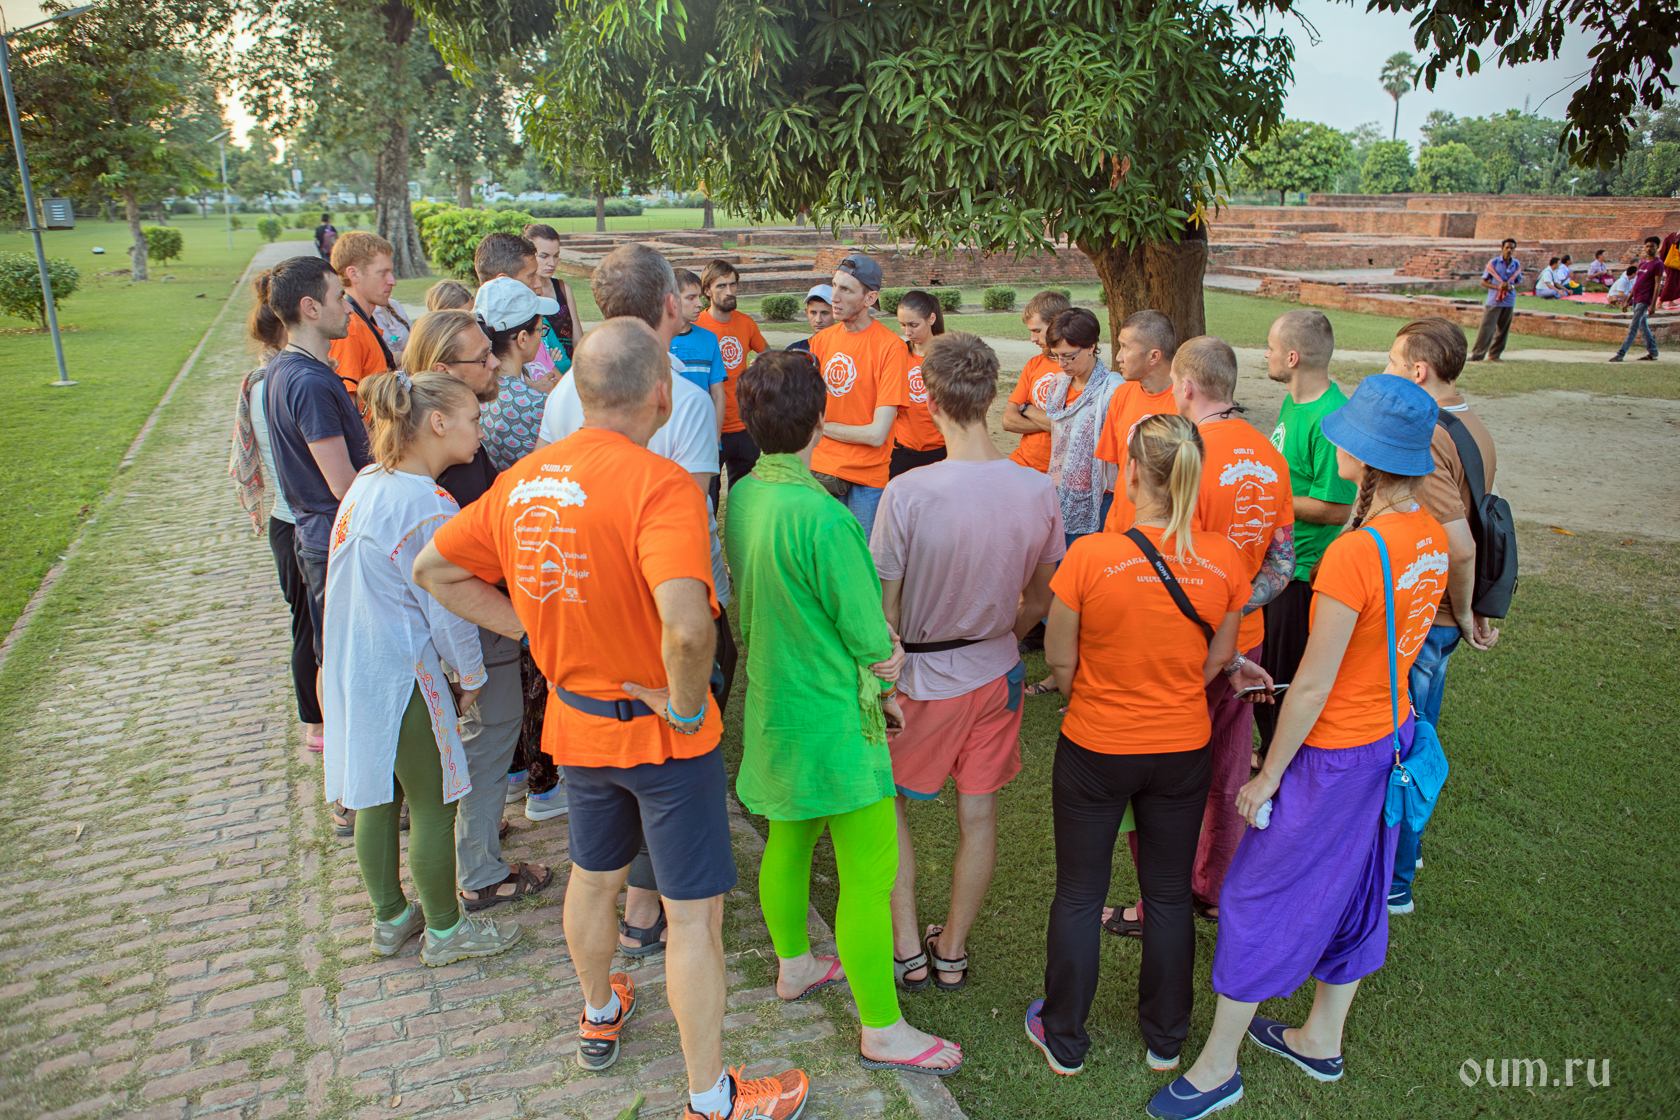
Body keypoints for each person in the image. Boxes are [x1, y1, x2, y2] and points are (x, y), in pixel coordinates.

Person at [415, 318, 810, 1120]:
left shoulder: (524, 479)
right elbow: (690, 628)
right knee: (693, 917)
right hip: (663, 737)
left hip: (578, 725)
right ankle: (712, 1097)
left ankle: (599, 1010)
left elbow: (435, 568)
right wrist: (689, 704)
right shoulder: (660, 485)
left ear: (582, 391)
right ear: (661, 395)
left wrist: (533, 627)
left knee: (594, 880)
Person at [1153, 375, 1447, 1120]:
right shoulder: (1430, 534)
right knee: (1360, 883)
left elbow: (1313, 686)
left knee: (1255, 893)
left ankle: (1218, 1068)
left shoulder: (1356, 553)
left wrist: (1268, 775)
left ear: (1366, 457)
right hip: (1390, 738)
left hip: (1334, 753)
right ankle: (1321, 1038)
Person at [726, 349, 962, 1077]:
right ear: (820, 422)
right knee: (869, 874)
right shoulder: (826, 518)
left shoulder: (745, 495)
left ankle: (795, 964)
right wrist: (890, 664)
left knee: (789, 838)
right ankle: (882, 1029)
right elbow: (869, 635)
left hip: (775, 704)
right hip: (833, 717)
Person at [1026, 413, 1268, 1079]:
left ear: (1131, 473)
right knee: (1166, 894)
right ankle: (1166, 1040)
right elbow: (1219, 660)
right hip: (1180, 747)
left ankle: (1064, 1036)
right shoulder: (1224, 560)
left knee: (1080, 893)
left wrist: (1097, 695)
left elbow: (1060, 659)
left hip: (1096, 745)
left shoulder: (1090, 556)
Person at [537, 242, 735, 957]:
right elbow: (690, 515)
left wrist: (534, 623)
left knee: (597, 836)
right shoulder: (678, 393)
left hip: (581, 614)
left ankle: (608, 968)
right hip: (661, 608)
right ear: (672, 305)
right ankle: (652, 906)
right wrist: (688, 700)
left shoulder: (570, 389)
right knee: (672, 754)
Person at [873, 333, 1063, 995]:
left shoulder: (908, 492)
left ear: (928, 397)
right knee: (977, 816)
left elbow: (885, 615)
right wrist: (999, 635)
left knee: (889, 803)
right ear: (990, 395)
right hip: (996, 671)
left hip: (923, 680)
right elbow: (1040, 596)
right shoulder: (1037, 489)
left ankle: (908, 948)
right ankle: (950, 950)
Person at [322, 368, 524, 967]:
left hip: (356, 666)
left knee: (377, 796)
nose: (481, 430)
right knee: (435, 803)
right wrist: (470, 675)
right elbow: (447, 607)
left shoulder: (368, 483)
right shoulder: (428, 504)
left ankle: (390, 917)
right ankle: (444, 929)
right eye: (474, 419)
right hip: (404, 672)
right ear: (438, 423)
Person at [1105, 336, 1297, 939]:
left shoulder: (1176, 456)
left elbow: (1135, 558)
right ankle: (1214, 888)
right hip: (1246, 643)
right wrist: (1234, 607)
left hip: (1179, 645)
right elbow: (1282, 561)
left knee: (1160, 774)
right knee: (1226, 767)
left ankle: (1156, 902)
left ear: (1184, 386)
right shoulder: (1269, 454)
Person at [399, 308, 554, 913]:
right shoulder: (450, 471)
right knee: (491, 734)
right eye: (482, 356)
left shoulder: (443, 451)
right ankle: (482, 872)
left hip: (476, 619)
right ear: (444, 372)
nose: (495, 363)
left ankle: (478, 832)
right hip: (477, 620)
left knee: (486, 736)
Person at [1385, 317, 1499, 915]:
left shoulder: (1428, 435)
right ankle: (1413, 846)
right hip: (1443, 615)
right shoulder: (1470, 422)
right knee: (1421, 733)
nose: (1385, 372)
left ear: (1418, 371)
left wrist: (1461, 610)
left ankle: (1397, 879)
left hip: (1430, 617)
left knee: (1404, 745)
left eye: (1392, 362)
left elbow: (1460, 544)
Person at [261, 256, 368, 835]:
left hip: (320, 538)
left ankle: (351, 787)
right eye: (338, 296)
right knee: (346, 667)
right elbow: (343, 482)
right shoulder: (306, 380)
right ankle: (350, 793)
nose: (346, 306)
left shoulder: (286, 368)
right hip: (334, 541)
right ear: (310, 307)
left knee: (335, 659)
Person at [1255, 310, 1357, 759]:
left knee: (1282, 676)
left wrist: (1268, 497)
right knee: (1264, 666)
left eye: (1272, 348)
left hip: (1300, 572)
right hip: (1275, 560)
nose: (1267, 355)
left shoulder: (1331, 418)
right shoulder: (1292, 402)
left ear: (1292, 357)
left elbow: (1336, 510)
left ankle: (1279, 761)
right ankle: (1268, 749)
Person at [230, 271, 322, 752]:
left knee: (308, 624)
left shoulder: (269, 380)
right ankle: (316, 723)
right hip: (296, 523)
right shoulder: (278, 384)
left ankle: (319, 719)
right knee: (309, 628)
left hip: (288, 522)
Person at [1022, 307, 1122, 699]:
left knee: (1086, 593)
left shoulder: (1112, 389)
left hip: (1097, 502)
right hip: (1060, 495)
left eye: (1069, 355)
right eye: (1056, 356)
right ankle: (1063, 667)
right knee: (1055, 587)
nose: (1061, 363)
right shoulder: (1061, 386)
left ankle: (1086, 672)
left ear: (1092, 346)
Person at [809, 252, 913, 537]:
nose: (834, 297)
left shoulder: (891, 348)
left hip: (867, 478)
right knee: (823, 554)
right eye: (834, 285)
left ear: (870, 298)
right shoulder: (820, 342)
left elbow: (877, 434)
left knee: (863, 556)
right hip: (821, 470)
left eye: (846, 289)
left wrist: (820, 427)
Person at [1095, 310, 1180, 532]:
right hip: (1119, 528)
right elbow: (1119, 464)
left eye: (1126, 347)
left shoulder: (1186, 404)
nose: (1118, 357)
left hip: (1163, 534)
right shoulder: (1122, 395)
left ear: (1154, 356)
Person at [697, 259, 772, 501]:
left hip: (746, 425)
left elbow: (769, 356)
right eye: (721, 286)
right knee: (708, 498)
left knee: (745, 499)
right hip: (711, 427)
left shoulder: (746, 323)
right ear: (707, 291)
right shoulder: (696, 326)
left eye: (733, 285)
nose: (729, 291)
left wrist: (761, 365)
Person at [476, 276, 563, 472]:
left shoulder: (475, 389)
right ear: (523, 339)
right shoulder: (537, 404)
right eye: (541, 330)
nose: (540, 337)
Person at [1001, 290, 1074, 474]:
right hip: (1023, 464)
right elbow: (1008, 421)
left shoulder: (1076, 369)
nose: (1033, 339)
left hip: (1061, 472)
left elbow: (1073, 428)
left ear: (1058, 324)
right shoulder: (1034, 364)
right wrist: (1054, 424)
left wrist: (1028, 410)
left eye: (1037, 331)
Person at [328, 231, 402, 396]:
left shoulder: (364, 320)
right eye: (383, 273)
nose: (392, 281)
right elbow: (349, 402)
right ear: (354, 274)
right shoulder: (349, 329)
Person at [888, 290, 949, 478]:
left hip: (939, 452)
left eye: (914, 325)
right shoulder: (897, 353)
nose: (908, 332)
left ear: (931, 318)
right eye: (902, 325)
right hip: (901, 451)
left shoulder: (948, 357)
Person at [671, 268, 728, 435]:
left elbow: (717, 393)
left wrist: (715, 435)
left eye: (699, 297)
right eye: (691, 298)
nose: (700, 304)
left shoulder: (709, 339)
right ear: (672, 299)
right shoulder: (653, 339)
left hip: (702, 433)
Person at [522, 222, 586, 363]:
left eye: (556, 256)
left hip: (569, 369)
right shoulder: (522, 294)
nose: (552, 263)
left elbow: (578, 341)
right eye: (544, 256)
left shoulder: (563, 289)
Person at [1609, 236, 1663, 363]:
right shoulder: (1643, 263)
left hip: (1645, 299)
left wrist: (1653, 304)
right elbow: (1637, 283)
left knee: (1633, 327)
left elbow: (1657, 285)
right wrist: (1628, 300)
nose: (1649, 248)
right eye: (1647, 246)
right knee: (1643, 326)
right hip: (1637, 298)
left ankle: (1620, 354)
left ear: (1657, 247)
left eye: (1652, 246)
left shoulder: (1658, 264)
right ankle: (1653, 351)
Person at [1468, 238, 1521, 363]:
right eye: (1507, 247)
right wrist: (1497, 287)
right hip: (1494, 300)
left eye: (1512, 248)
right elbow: (1484, 281)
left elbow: (1519, 282)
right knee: (1487, 328)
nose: (1509, 250)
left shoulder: (1515, 264)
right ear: (1502, 248)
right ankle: (1477, 354)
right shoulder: (1494, 263)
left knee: (1503, 330)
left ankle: (1494, 354)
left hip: (1508, 300)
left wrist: (1511, 287)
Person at [785, 283, 835, 360]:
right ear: (807, 312)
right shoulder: (795, 352)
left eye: (825, 313)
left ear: (836, 313)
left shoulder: (844, 349)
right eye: (813, 313)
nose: (818, 320)